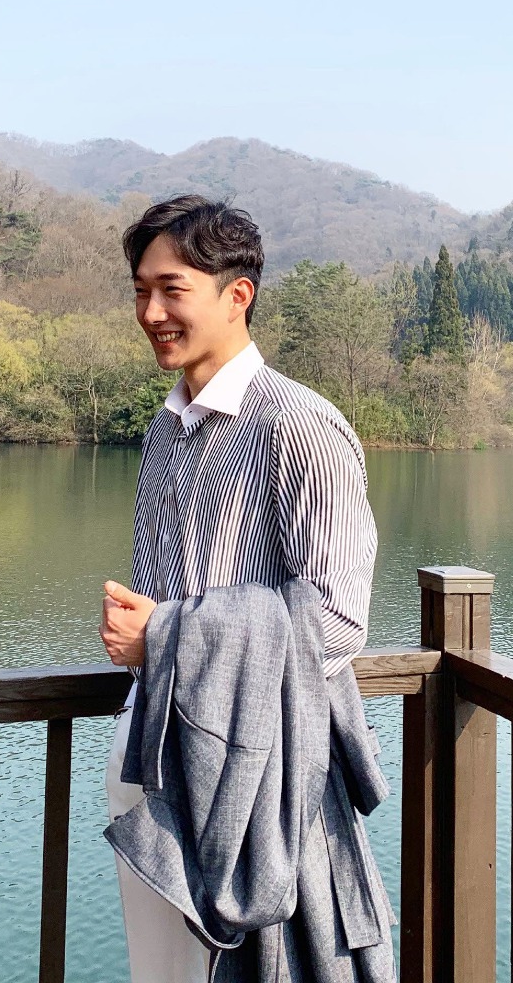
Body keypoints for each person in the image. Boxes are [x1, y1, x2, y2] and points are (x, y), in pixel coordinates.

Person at [100, 194, 379, 983]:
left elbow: (338, 619)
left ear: (237, 295)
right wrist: (148, 636)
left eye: (172, 290)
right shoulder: (164, 430)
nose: (151, 312)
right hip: (153, 754)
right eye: (140, 292)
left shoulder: (299, 425)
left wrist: (166, 633)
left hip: (252, 771)